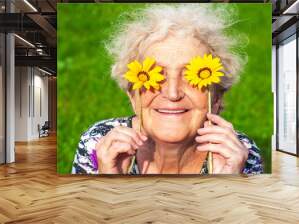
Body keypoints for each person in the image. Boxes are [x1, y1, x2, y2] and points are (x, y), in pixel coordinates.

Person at [71, 4, 263, 175]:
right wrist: (109, 180)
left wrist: (227, 183)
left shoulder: (240, 154)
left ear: (217, 97)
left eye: (190, 76)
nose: (172, 93)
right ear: (132, 95)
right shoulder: (98, 143)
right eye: (157, 75)